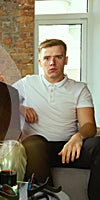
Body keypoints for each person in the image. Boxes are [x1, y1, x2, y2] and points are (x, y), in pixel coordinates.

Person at [12, 39, 100, 199]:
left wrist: (78, 136)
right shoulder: (26, 83)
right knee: (34, 144)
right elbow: (1, 99)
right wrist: (20, 107)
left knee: (98, 145)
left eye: (58, 57)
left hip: (69, 149)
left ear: (65, 60)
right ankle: (47, 197)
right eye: (47, 58)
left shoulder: (79, 89)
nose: (52, 62)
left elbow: (89, 125)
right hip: (37, 148)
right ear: (40, 61)